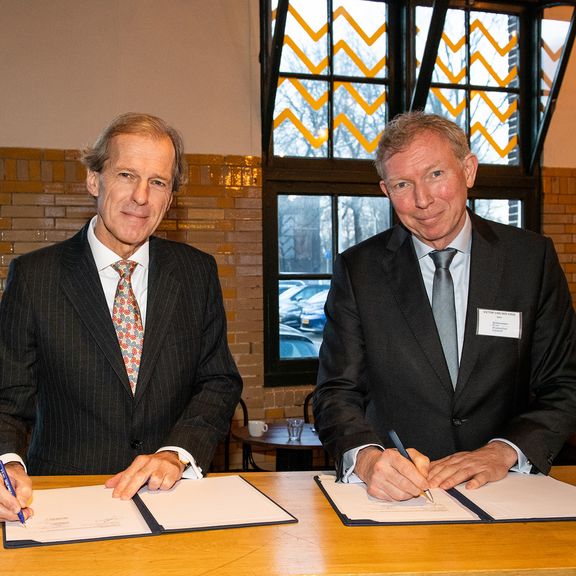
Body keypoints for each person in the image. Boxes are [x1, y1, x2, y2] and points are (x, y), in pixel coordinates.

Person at [313, 111, 576, 502]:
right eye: (403, 184)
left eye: (436, 175)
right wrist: (367, 460)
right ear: (386, 191)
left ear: (468, 170)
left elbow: (564, 383)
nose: (422, 200)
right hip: (399, 499)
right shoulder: (359, 269)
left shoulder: (530, 260)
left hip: (510, 489)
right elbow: (336, 392)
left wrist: (504, 451)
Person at [0, 113, 243, 522]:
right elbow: (7, 398)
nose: (142, 197)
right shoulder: (34, 276)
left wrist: (176, 452)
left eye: (159, 182)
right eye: (127, 175)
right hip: (65, 503)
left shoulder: (197, 272)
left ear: (171, 196)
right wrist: (7, 463)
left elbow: (218, 381)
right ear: (94, 180)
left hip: (174, 500)